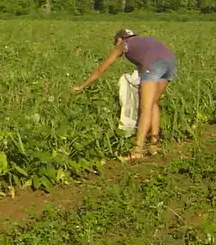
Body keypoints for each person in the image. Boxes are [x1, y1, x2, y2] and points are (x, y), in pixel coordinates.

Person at [73, 29, 177, 160]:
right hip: (170, 62)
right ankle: (153, 145)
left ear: (120, 39)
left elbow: (102, 68)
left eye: (115, 43)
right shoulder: (143, 41)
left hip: (154, 64)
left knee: (145, 107)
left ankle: (137, 149)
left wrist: (82, 85)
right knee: (153, 103)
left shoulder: (124, 44)